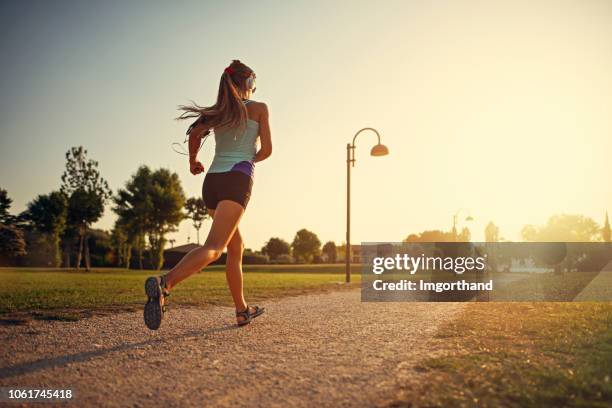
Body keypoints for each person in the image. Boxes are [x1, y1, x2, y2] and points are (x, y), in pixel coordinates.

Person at [144, 60, 272, 330]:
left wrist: (193, 162)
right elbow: (267, 151)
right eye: (254, 83)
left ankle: (242, 310)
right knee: (214, 248)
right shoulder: (259, 108)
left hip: (212, 182)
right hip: (237, 180)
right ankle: (165, 284)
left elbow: (195, 134)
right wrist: (248, 160)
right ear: (248, 83)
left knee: (235, 246)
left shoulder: (216, 113)